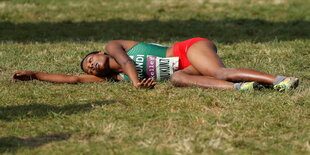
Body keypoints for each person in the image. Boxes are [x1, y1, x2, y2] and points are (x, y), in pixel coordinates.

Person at [12, 37, 299, 91]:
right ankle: (241, 88)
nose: (91, 67)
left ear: (99, 53)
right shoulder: (112, 79)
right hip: (184, 70)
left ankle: (279, 79)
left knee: (217, 71)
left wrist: (135, 80)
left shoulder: (115, 47)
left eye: (91, 60)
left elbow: (124, 61)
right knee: (177, 79)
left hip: (189, 49)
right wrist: (36, 74)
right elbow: (71, 79)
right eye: (88, 68)